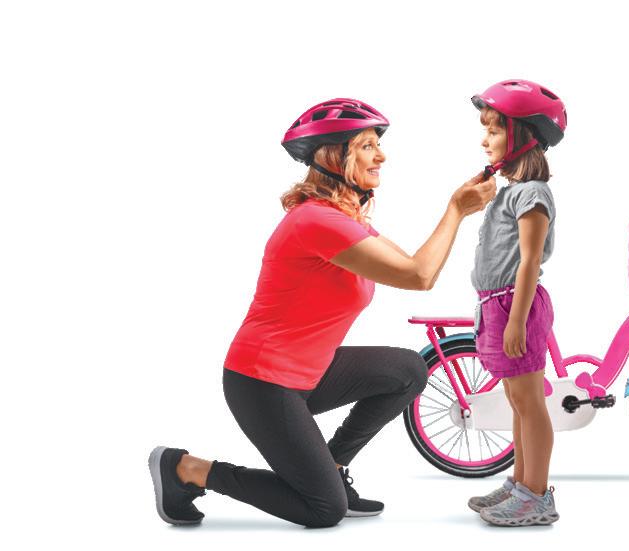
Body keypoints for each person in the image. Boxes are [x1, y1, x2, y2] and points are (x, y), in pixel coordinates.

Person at [149, 98, 496, 528]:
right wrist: (457, 210)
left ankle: (330, 467)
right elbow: (418, 276)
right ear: (335, 156)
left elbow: (412, 263)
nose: (381, 156)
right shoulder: (316, 222)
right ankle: (186, 469)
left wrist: (459, 210)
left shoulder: (343, 218)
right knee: (323, 510)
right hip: (263, 382)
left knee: (409, 369)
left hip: (310, 373)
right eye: (367, 146)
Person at [464, 80, 567, 526]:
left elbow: (529, 261)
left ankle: (537, 496)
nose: (484, 140)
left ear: (521, 136)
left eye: (493, 130)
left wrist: (516, 321)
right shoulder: (510, 191)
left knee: (530, 403)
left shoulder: (532, 194)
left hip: (515, 305)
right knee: (517, 401)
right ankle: (521, 484)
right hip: (499, 304)